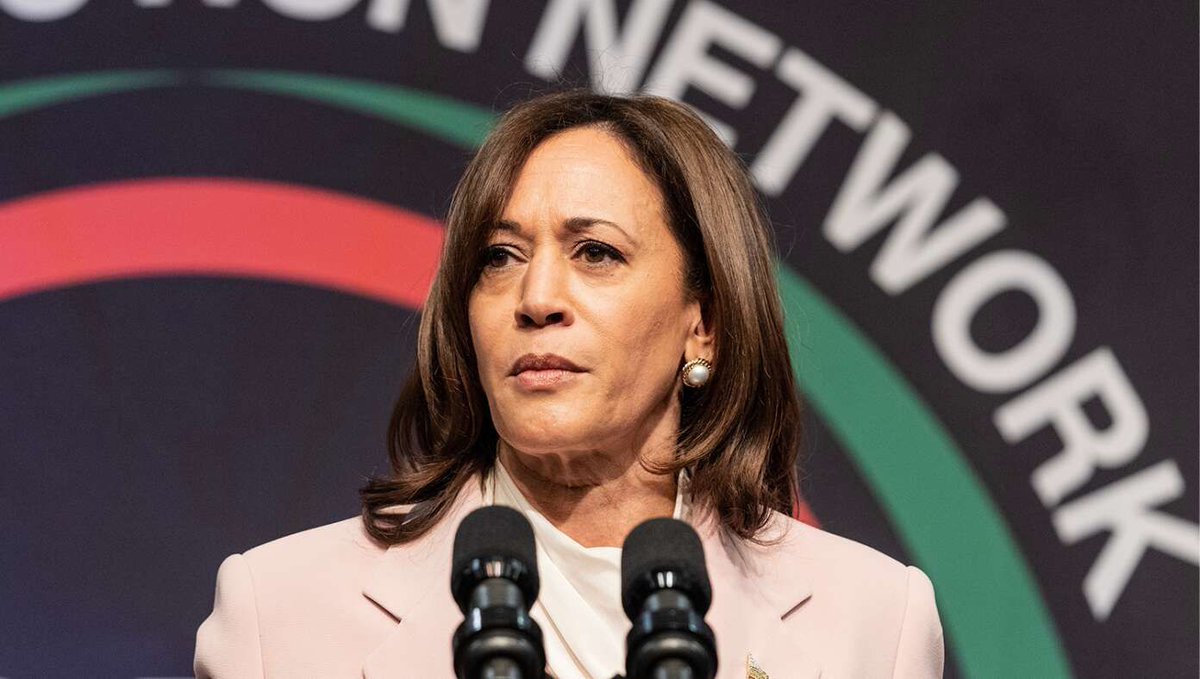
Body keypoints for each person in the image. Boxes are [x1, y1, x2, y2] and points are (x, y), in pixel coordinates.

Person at [194, 90, 944, 679]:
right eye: (500, 256)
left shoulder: (871, 619)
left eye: (595, 252)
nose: (537, 298)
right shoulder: (280, 612)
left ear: (705, 324)